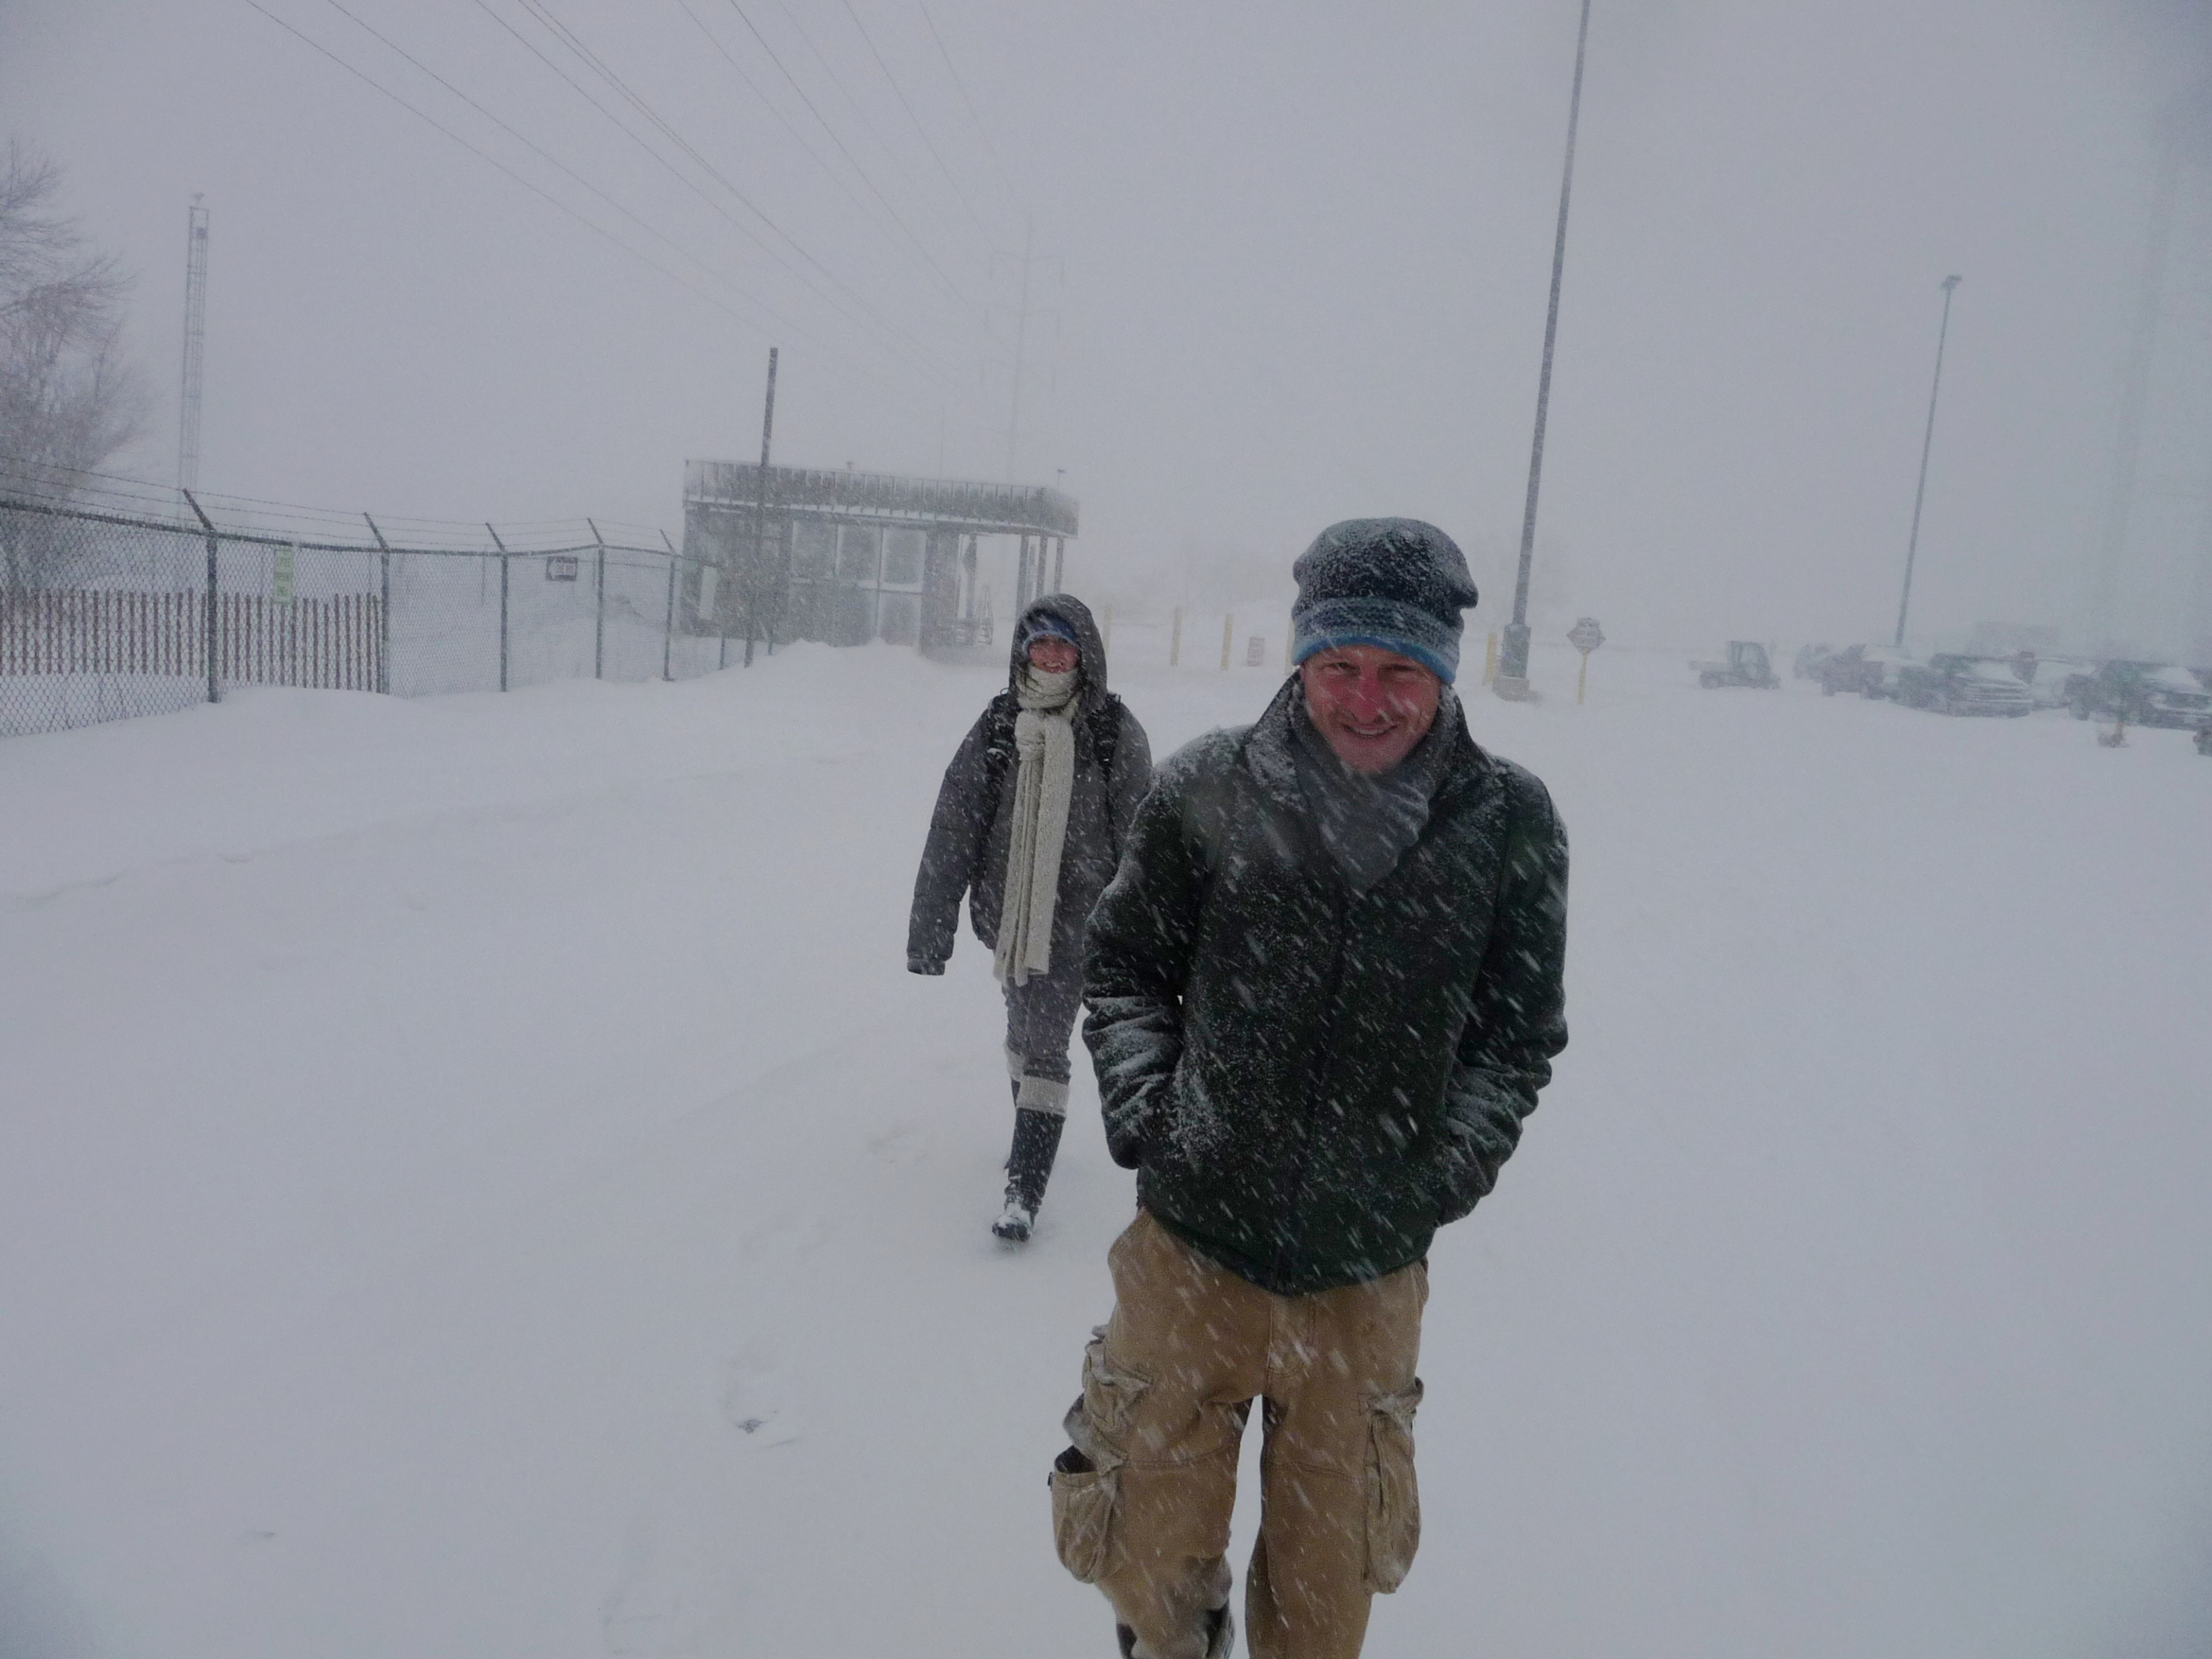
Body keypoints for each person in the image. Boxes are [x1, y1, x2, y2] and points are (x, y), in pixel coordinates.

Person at [1047, 519, 1569, 1659]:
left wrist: (1437, 1171)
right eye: (1339, 665)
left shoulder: (1506, 824)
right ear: (1300, 660)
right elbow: (1124, 966)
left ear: (1443, 671)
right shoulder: (1206, 786)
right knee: (1148, 1561)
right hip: (1190, 1254)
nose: (1365, 700)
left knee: (1324, 1597)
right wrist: (1152, 1114)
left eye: (1398, 671)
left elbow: (1515, 1037)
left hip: (1361, 1282)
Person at [908, 593, 1153, 1244]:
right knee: (1020, 1028)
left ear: (1084, 653)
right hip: (1009, 918)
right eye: (1038, 643)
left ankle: (1023, 1190)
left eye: (1062, 644)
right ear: (1023, 651)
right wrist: (931, 930)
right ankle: (1031, 1130)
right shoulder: (998, 723)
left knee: (1045, 1042)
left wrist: (1146, 933)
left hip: (1082, 920)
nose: (1049, 655)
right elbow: (955, 824)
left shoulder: (1111, 730)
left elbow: (1144, 841)